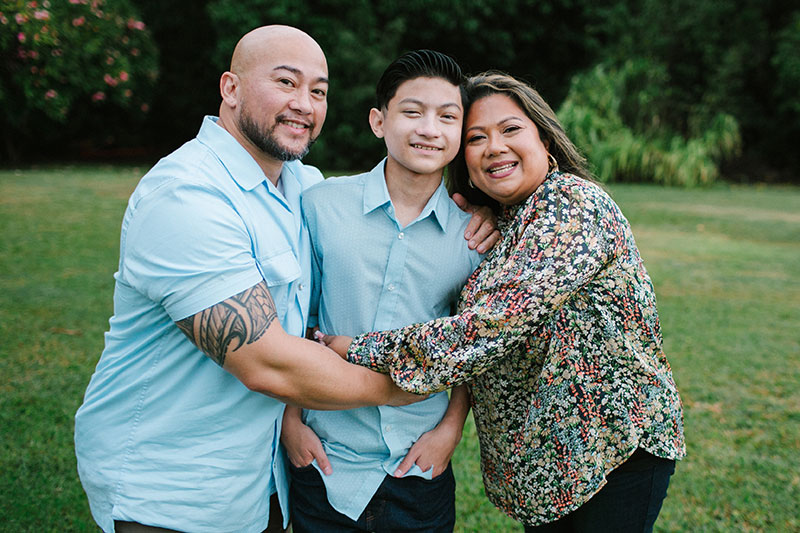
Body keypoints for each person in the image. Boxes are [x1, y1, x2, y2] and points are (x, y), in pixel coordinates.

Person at [73, 27, 496, 533]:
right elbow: (267, 362)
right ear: (230, 88)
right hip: (173, 487)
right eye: (286, 82)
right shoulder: (187, 195)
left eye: (317, 91)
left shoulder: (301, 188)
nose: (304, 104)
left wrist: (474, 212)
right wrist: (407, 384)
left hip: (262, 484)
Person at [322, 72, 687, 532]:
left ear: (545, 137)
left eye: (510, 129)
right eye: (476, 138)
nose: (494, 147)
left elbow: (490, 327)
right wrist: (483, 212)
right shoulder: (508, 222)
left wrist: (356, 349)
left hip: (611, 449)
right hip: (554, 463)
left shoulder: (573, 207)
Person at [280, 50, 484, 532]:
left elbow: (473, 347)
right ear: (379, 120)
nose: (429, 129)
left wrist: (450, 431)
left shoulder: (473, 238)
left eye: (447, 117)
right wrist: (291, 422)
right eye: (412, 112)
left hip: (419, 461)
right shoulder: (321, 206)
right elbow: (293, 321)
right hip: (326, 457)